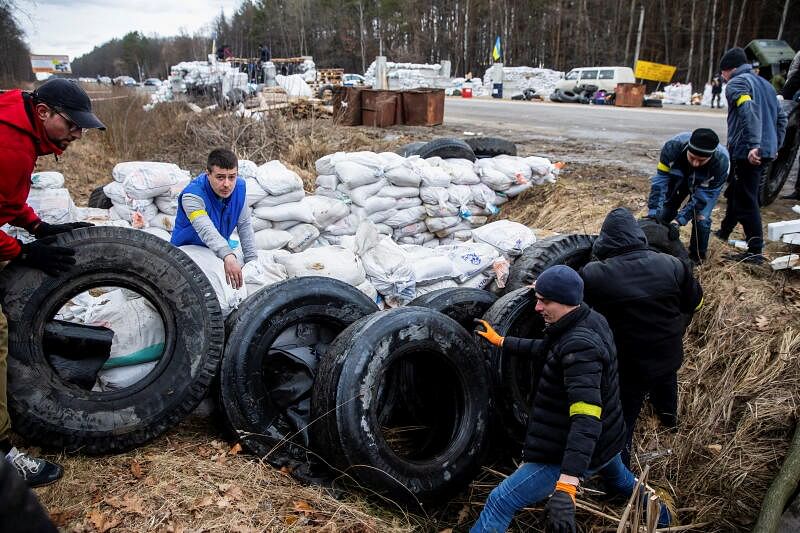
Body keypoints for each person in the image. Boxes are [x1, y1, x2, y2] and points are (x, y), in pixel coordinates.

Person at [472, 265, 670, 532]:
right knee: (622, 481)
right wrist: (502, 342)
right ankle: (666, 517)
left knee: (501, 501)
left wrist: (566, 484)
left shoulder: (581, 347)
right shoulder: (589, 319)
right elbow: (549, 350)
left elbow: (586, 418)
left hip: (570, 449)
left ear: (565, 301)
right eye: (538, 299)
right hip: (606, 440)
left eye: (545, 301)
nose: (537, 308)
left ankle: (666, 519)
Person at [0, 77, 105, 487]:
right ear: (43, 112)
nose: (79, 132)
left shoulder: (18, 127)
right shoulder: (9, 144)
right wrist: (22, 252)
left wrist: (36, 226)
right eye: (73, 123)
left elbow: (5, 200)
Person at [580, 208, 703, 467]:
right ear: (639, 235)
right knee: (666, 381)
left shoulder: (592, 274)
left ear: (605, 240)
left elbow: (579, 314)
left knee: (624, 415)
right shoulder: (673, 264)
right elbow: (696, 302)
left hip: (629, 364)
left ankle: (620, 471)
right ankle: (670, 422)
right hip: (669, 352)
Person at [715, 47, 788, 264]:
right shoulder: (766, 84)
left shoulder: (737, 83)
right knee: (737, 191)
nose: (723, 77)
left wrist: (754, 145)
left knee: (747, 198)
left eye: (723, 72)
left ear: (730, 69)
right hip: (764, 150)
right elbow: (782, 118)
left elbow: (747, 110)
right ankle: (724, 232)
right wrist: (774, 146)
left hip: (747, 150)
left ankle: (755, 250)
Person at [170, 148, 257, 289]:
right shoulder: (192, 196)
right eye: (220, 177)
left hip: (216, 251)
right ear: (208, 174)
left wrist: (252, 262)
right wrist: (228, 255)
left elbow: (245, 225)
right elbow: (205, 229)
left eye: (232, 177)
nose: (227, 184)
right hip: (189, 251)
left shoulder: (239, 188)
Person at [647, 128, 729, 264]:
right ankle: (658, 244)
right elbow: (660, 182)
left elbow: (701, 199)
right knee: (666, 208)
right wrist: (653, 212)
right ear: (687, 149)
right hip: (680, 175)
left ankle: (697, 257)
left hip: (705, 185)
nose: (696, 163)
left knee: (701, 218)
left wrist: (679, 221)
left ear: (711, 156)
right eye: (692, 158)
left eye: (701, 160)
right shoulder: (672, 147)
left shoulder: (721, 162)